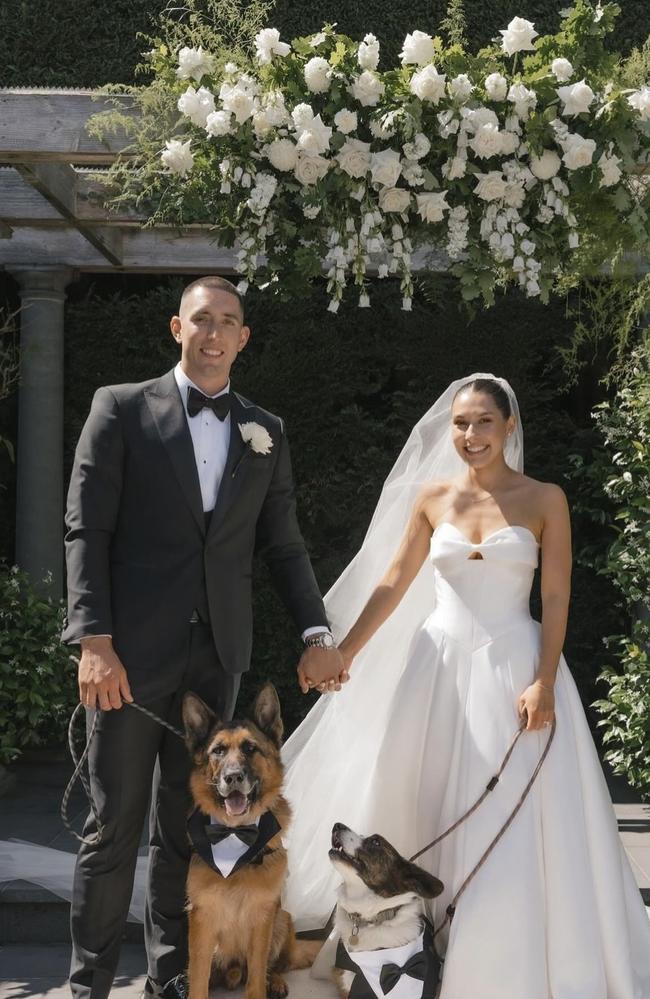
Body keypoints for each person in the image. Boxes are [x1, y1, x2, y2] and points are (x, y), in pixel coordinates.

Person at [282, 373, 650, 998]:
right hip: (438, 668)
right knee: (422, 800)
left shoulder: (544, 499)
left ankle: (502, 958)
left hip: (516, 665)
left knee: (512, 815)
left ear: (509, 426)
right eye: (460, 423)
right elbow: (395, 583)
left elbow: (556, 595)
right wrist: (342, 651)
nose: (471, 434)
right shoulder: (432, 498)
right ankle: (401, 953)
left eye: (483, 421)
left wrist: (544, 682)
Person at [62, 275, 344, 999]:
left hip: (215, 661)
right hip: (127, 659)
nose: (213, 333)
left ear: (244, 337)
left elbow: (283, 545)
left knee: (187, 830)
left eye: (227, 322)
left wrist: (317, 630)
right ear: (176, 328)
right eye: (200, 320)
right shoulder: (120, 409)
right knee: (113, 827)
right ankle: (88, 983)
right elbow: (85, 527)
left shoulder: (265, 429)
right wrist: (93, 638)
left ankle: (168, 979)